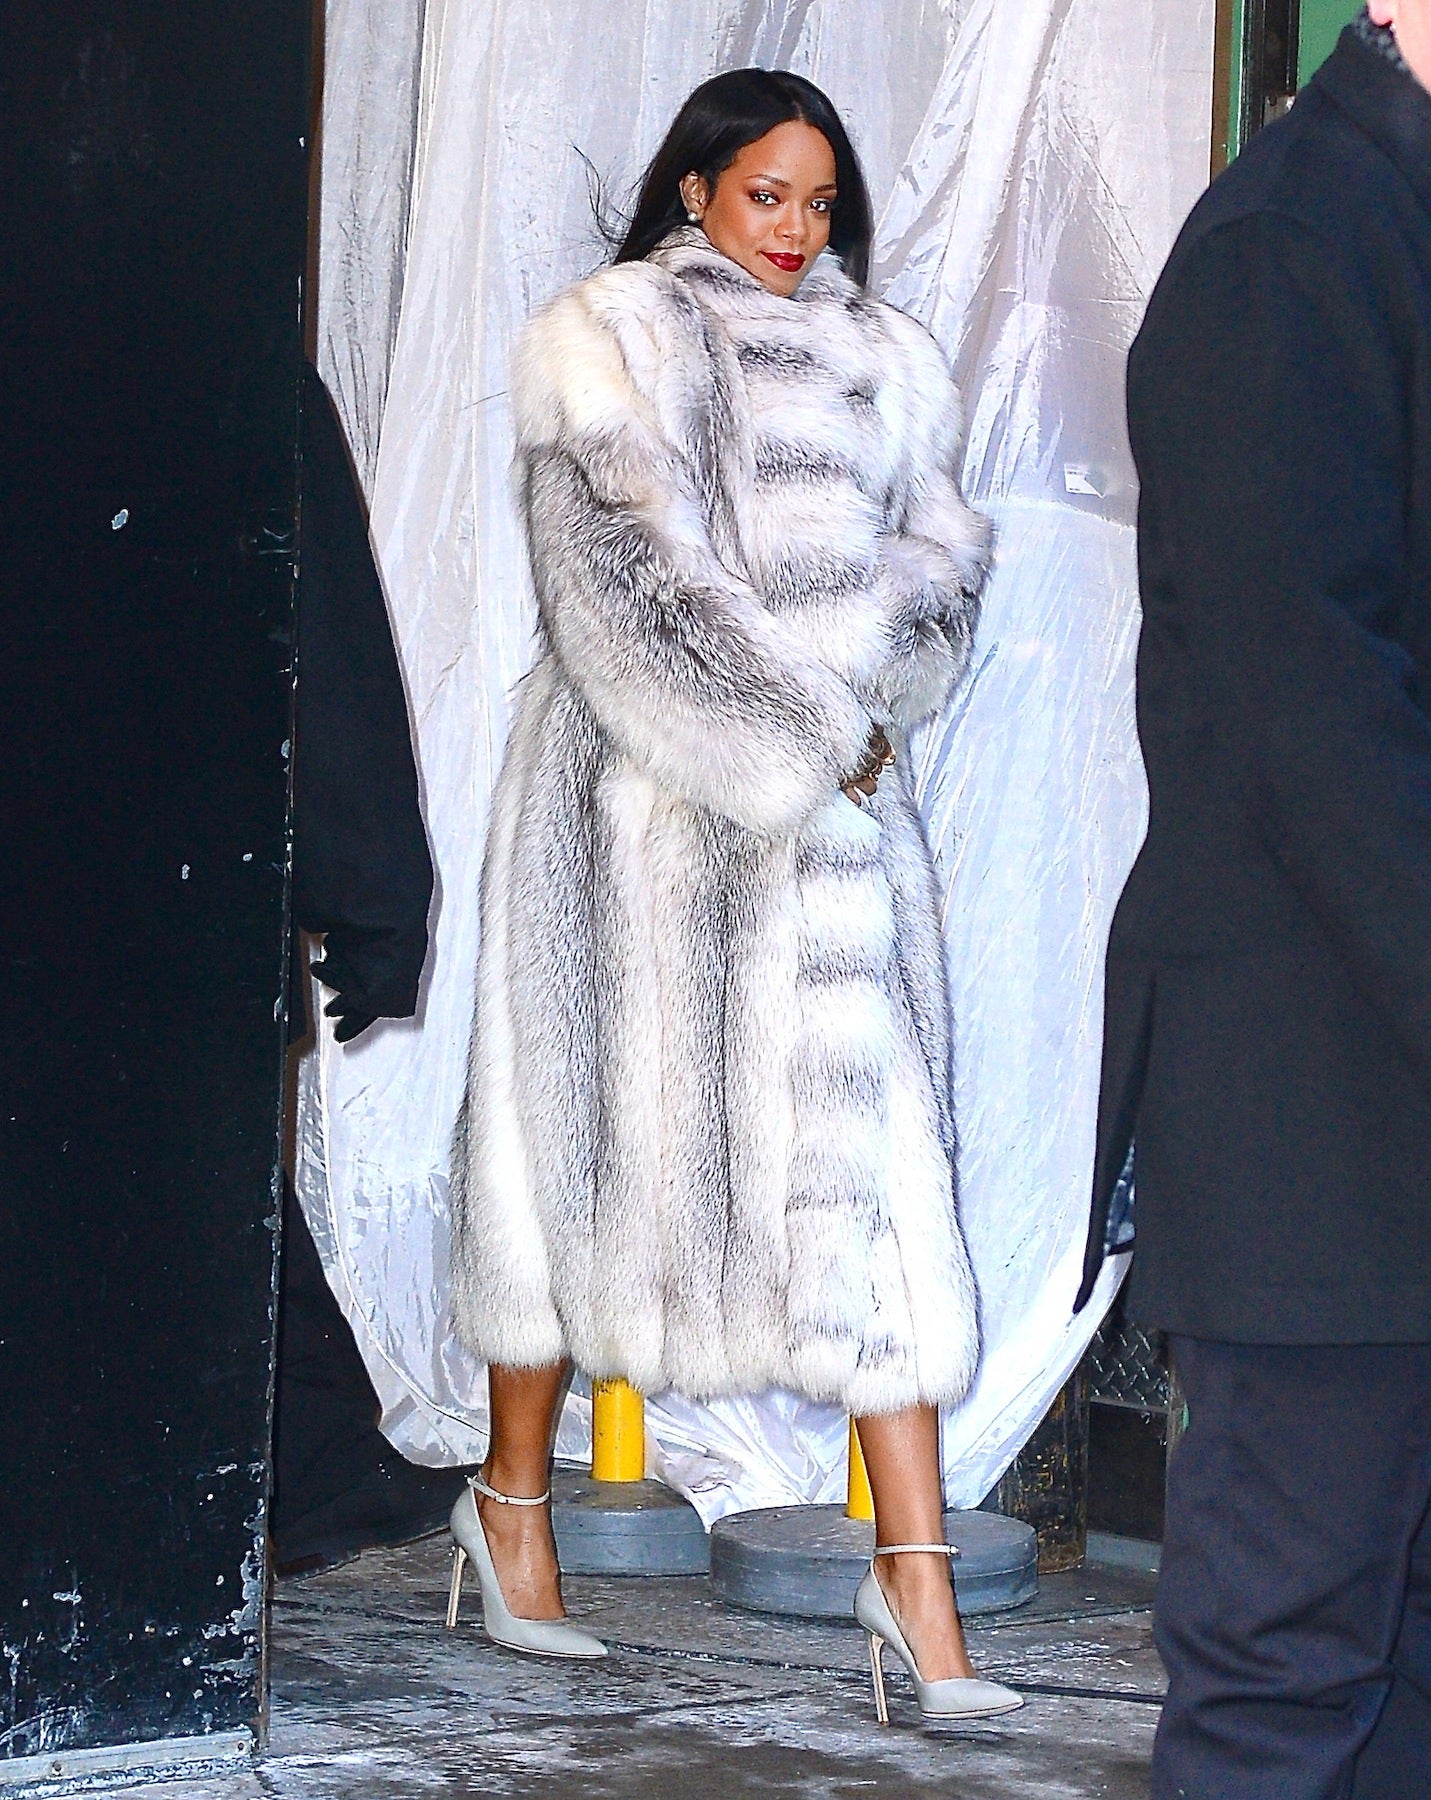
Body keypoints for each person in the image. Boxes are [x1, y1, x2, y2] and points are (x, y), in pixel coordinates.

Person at [448, 68, 1020, 1720]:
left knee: (882, 1197)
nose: (793, 229)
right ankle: (509, 1507)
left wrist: (859, 688)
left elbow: (947, 564)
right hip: (629, 817)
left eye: (818, 201)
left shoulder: (884, 360)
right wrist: (805, 730)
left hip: (830, 840)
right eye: (766, 193)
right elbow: (616, 592)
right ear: (695, 185)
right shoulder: (602, 340)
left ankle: (916, 1586)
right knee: (563, 1174)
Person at [1077, 6, 1431, 1795]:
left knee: (1429, 1657)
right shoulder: (1285, 247)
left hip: (1412, 1082)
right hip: (1314, 1104)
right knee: (1283, 1679)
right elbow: (1318, 728)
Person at [269, 362, 463, 1575]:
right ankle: (316, 1469)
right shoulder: (215, 343)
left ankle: (316, 1464)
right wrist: (375, 895)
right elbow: (321, 636)